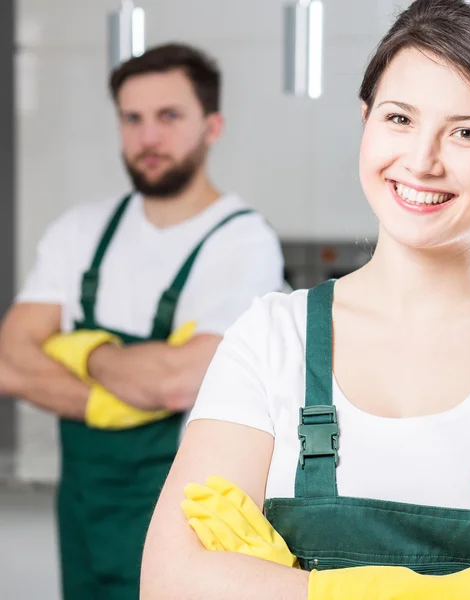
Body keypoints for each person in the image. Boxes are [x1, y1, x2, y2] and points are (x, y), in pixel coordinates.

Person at [140, 1, 470, 599]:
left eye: (467, 132)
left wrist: (283, 586)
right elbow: (171, 582)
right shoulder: (273, 335)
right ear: (366, 121)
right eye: (400, 118)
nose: (421, 160)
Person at [0, 43, 284, 600]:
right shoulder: (79, 230)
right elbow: (9, 362)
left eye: (169, 116)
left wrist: (79, 348)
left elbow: (176, 380)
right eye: (132, 118)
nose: (148, 137)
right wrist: (116, 395)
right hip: (86, 509)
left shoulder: (242, 241)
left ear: (213, 125)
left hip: (184, 518)